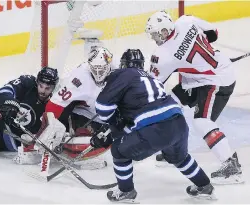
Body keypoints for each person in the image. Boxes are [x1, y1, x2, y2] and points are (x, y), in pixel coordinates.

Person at [89, 48, 215, 202]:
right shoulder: (151, 79)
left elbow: (103, 108)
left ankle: (126, 191)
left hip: (155, 128)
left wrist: (113, 129)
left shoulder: (122, 75)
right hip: (178, 122)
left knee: (119, 151)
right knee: (179, 157)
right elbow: (137, 118)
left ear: (123, 65)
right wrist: (116, 128)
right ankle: (204, 185)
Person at [145, 11, 242, 184]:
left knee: (202, 122)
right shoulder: (187, 20)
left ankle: (231, 167)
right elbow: (213, 34)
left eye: (157, 33)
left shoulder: (162, 55)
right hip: (202, 75)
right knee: (169, 105)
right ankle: (173, 151)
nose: (155, 38)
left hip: (216, 80)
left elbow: (153, 83)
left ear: (166, 29)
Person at [44, 46, 115, 160]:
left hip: (107, 116)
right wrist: (50, 124)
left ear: (109, 65)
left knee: (110, 138)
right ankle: (67, 142)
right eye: (94, 69)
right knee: (87, 137)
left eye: (101, 69)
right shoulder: (80, 77)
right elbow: (56, 102)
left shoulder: (119, 73)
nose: (98, 74)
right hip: (84, 113)